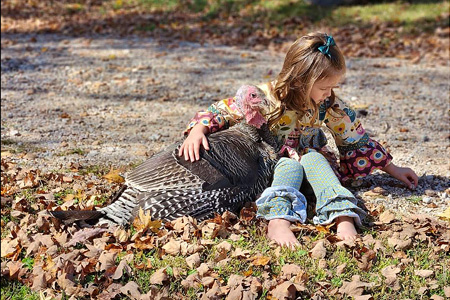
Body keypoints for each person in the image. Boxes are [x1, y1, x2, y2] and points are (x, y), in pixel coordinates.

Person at [179, 32, 419, 248]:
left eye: (334, 86)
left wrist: (394, 169)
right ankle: (278, 219)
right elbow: (224, 110)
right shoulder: (267, 97)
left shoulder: (328, 104)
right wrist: (198, 130)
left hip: (315, 167)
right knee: (290, 164)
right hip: (275, 165)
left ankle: (343, 216)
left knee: (314, 157)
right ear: (301, 81)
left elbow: (354, 137)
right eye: (325, 87)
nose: (329, 92)